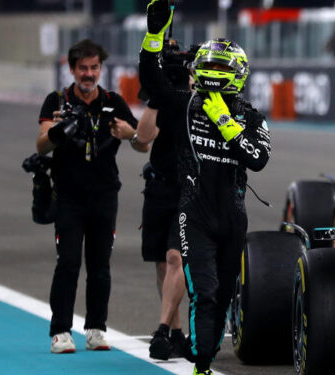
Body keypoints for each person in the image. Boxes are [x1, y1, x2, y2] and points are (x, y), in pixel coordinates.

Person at [139, 1, 271, 374]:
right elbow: (152, 82)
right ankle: (201, 367)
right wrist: (153, 37)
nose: (212, 72)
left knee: (225, 295)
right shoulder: (186, 105)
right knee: (205, 294)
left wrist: (225, 122)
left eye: (221, 67)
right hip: (193, 213)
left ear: (238, 74)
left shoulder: (250, 116)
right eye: (208, 65)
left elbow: (258, 159)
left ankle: (206, 359)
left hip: (233, 218)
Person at [36, 38, 139, 353]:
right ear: (72, 69)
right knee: (67, 263)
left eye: (94, 67)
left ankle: (96, 329)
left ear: (100, 68)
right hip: (67, 196)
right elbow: (41, 144)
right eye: (83, 68)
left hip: (105, 196)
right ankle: (60, 332)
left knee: (100, 265)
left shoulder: (114, 101)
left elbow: (144, 143)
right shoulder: (55, 100)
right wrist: (60, 129)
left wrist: (131, 134)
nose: (88, 74)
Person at [110, 39, 193, 360]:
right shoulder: (160, 98)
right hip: (158, 188)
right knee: (162, 263)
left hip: (186, 188)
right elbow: (143, 140)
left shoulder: (193, 97)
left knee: (175, 258)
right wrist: (158, 96)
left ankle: (162, 330)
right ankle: (174, 332)